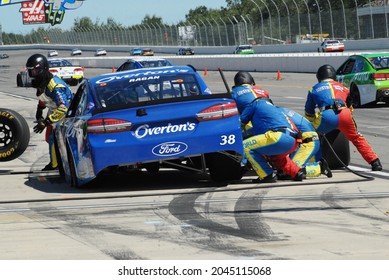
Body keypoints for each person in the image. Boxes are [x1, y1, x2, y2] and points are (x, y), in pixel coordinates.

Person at [231, 71, 305, 183]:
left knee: (245, 145)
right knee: (276, 156)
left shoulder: (248, 100)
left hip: (276, 136)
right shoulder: (264, 95)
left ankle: (267, 175)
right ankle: (296, 172)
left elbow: (239, 122)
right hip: (293, 139)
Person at [305, 64, 382, 171]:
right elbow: (350, 106)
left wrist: (312, 124)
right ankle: (375, 162)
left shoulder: (313, 89)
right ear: (334, 76)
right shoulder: (343, 88)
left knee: (312, 136)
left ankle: (319, 164)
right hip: (344, 113)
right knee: (356, 137)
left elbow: (309, 112)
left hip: (326, 115)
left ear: (319, 77)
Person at [26, 53, 73, 171]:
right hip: (54, 111)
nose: (32, 74)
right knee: (48, 137)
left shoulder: (55, 86)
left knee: (53, 137)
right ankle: (58, 161)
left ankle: (55, 165)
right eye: (31, 71)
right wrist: (39, 110)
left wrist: (46, 121)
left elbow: (63, 107)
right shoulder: (43, 83)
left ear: (42, 69)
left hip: (68, 114)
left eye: (35, 71)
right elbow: (45, 97)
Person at [278, 107, 332, 178]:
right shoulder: (278, 110)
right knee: (283, 172)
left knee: (291, 171)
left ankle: (319, 167)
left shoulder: (276, 115)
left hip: (307, 142)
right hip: (301, 141)